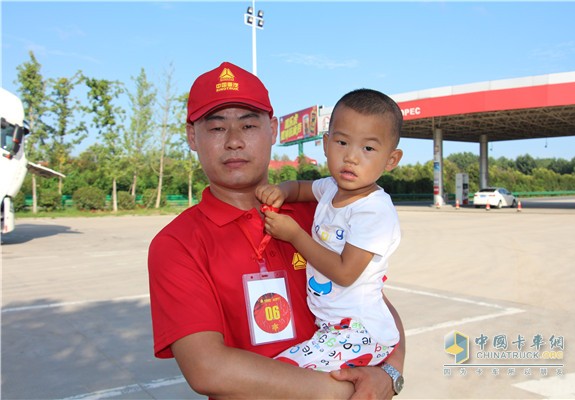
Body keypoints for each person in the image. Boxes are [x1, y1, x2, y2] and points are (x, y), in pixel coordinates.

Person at [148, 61, 405, 399]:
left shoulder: (323, 212)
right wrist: (342, 393)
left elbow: (372, 298)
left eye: (248, 125)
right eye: (217, 128)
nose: (234, 141)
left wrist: (390, 373)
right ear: (192, 137)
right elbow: (208, 369)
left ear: (272, 129)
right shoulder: (176, 244)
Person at [255, 89, 404, 372]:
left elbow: (345, 273)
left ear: (391, 160)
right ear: (325, 144)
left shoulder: (374, 210)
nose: (351, 157)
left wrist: (294, 235)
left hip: (359, 331)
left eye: (368, 148)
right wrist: (281, 190)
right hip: (332, 327)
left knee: (281, 372)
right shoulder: (331, 188)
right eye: (342, 142)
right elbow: (301, 188)